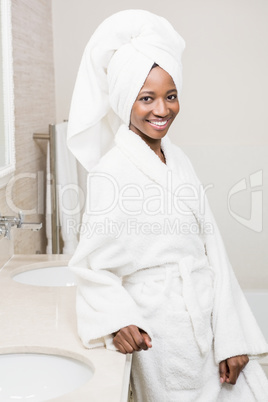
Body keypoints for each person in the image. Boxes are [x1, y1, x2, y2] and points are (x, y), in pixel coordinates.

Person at [67, 10, 268, 401]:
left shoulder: (178, 159)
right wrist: (118, 319)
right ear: (126, 100)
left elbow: (214, 252)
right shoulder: (111, 173)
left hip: (208, 321)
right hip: (164, 338)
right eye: (147, 98)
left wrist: (231, 335)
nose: (162, 110)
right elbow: (92, 266)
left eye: (170, 96)